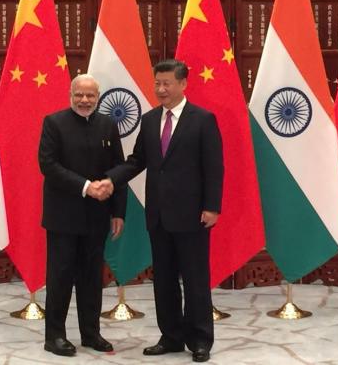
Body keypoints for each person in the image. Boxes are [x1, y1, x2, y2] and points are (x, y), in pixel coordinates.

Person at [100, 59, 223, 363]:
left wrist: (212, 207)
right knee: (164, 280)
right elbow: (137, 160)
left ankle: (200, 340)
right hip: (158, 215)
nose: (161, 89)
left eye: (167, 83)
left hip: (193, 215)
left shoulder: (203, 119)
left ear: (183, 84)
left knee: (195, 280)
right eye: (157, 83)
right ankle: (171, 336)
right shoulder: (150, 119)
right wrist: (111, 179)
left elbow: (214, 167)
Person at [38, 74, 126, 357]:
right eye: (79, 95)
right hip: (63, 217)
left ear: (98, 97)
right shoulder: (54, 123)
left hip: (97, 217)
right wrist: (87, 187)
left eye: (90, 95)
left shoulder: (108, 125)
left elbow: (118, 170)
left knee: (91, 278)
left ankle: (91, 334)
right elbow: (48, 165)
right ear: (71, 95)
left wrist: (118, 212)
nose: (85, 100)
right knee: (60, 278)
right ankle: (55, 336)